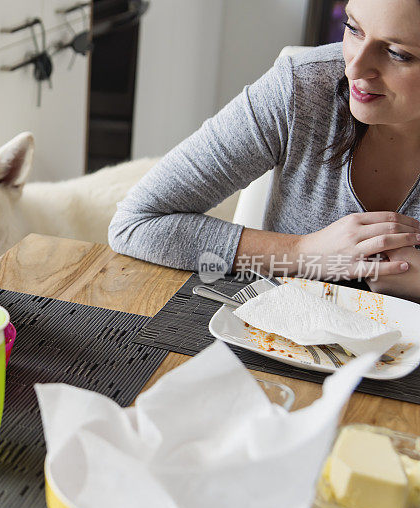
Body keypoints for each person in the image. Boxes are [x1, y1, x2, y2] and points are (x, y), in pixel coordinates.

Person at [109, 0, 420, 302]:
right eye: (354, 29)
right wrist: (303, 251)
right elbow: (136, 223)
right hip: (274, 341)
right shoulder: (302, 88)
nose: (354, 67)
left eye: (398, 54)